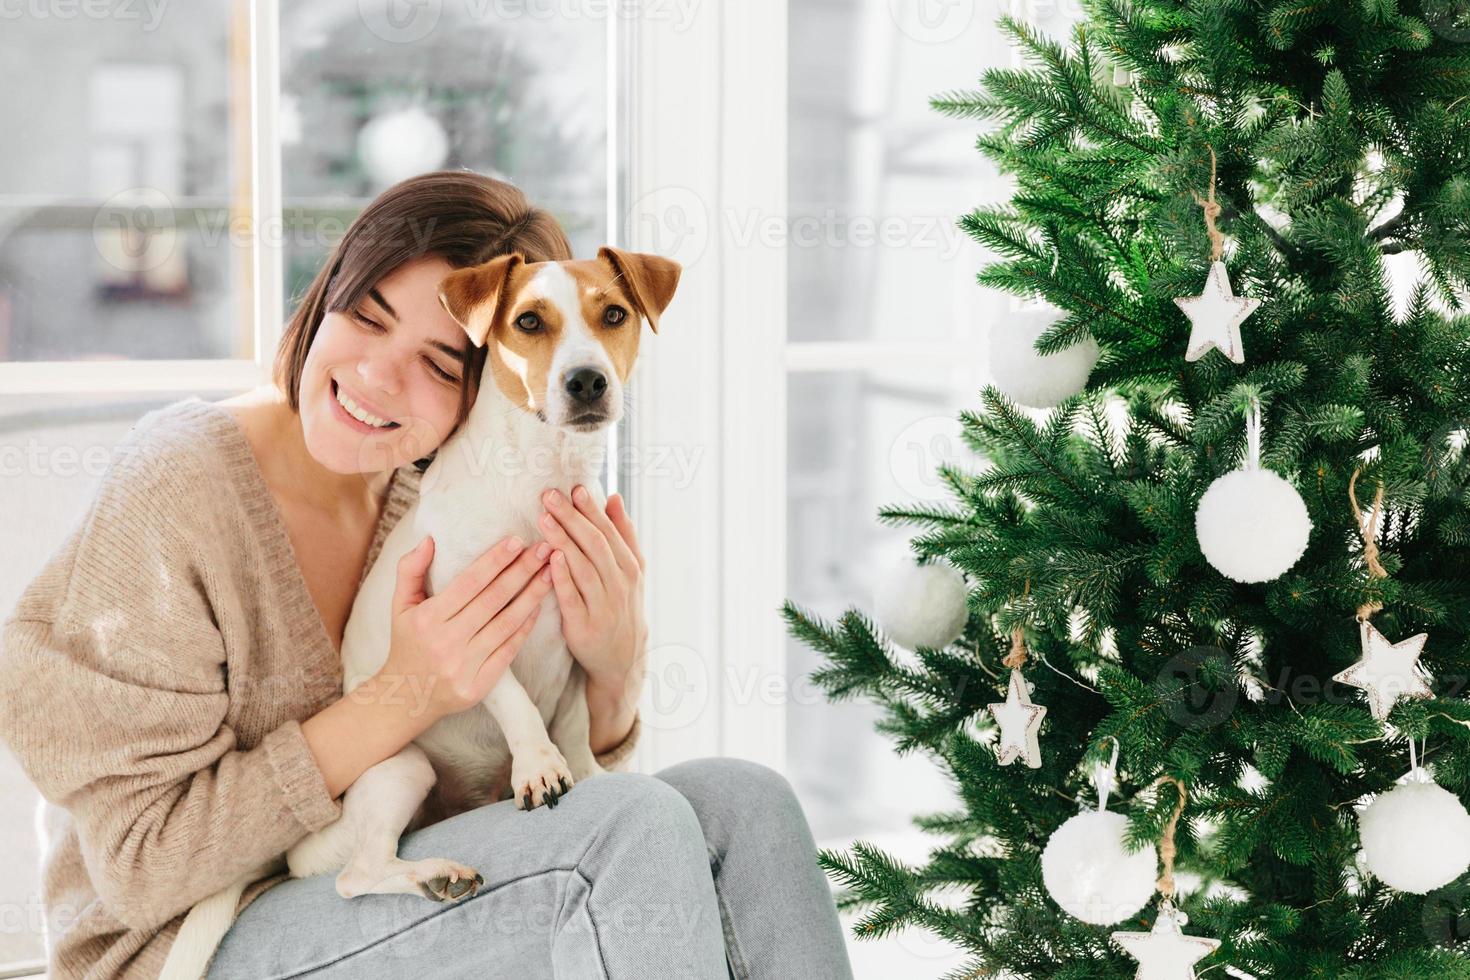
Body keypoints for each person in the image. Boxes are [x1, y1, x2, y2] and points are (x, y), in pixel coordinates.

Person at [0, 170, 855, 979]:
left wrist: (615, 674)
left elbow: (546, 784)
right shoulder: (177, 488)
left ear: (496, 382)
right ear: (326, 290)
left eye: (442, 364)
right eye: (366, 318)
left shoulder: (441, 484)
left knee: (744, 803)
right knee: (624, 834)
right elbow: (141, 868)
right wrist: (403, 696)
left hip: (424, 866)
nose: (379, 376)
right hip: (188, 941)